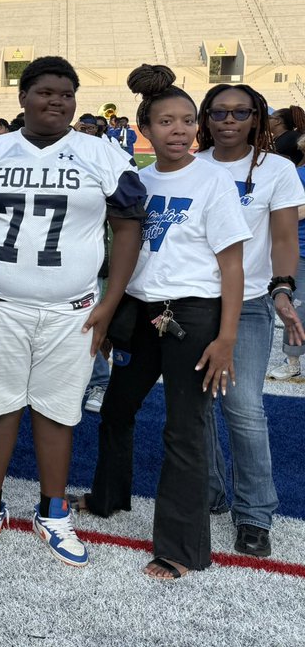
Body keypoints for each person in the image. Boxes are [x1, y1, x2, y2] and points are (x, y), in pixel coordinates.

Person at [0, 56, 145, 567]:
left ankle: (52, 509)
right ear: (22, 98)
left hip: (73, 308)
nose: (57, 101)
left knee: (58, 410)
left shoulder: (99, 153)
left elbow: (128, 227)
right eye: (46, 92)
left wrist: (111, 301)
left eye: (66, 93)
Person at [79, 64, 248, 580]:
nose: (178, 130)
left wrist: (226, 338)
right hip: (142, 311)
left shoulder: (213, 180)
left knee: (185, 430)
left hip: (193, 316)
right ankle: (109, 498)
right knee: (116, 406)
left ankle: (181, 548)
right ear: (143, 129)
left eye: (186, 120)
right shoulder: (135, 181)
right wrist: (111, 311)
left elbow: (232, 264)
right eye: (166, 121)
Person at [196, 82, 303, 557]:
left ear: (258, 118)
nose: (229, 120)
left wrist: (283, 287)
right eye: (219, 112)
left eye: (241, 112)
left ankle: (255, 514)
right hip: (193, 303)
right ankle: (212, 493)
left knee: (242, 409)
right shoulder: (190, 165)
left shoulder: (278, 169)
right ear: (206, 118)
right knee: (195, 407)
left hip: (254, 302)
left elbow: (282, 237)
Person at [270, 131, 305, 381]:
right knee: (296, 309)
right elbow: (288, 216)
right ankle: (292, 361)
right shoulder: (298, 176)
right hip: (301, 252)